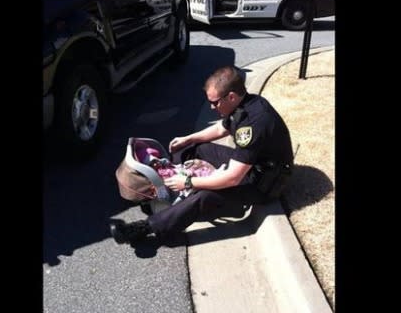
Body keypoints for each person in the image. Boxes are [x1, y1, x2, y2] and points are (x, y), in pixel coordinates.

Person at [110, 65, 294, 244]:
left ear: (231, 96)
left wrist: (189, 182)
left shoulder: (254, 124)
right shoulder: (244, 103)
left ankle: (144, 228)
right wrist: (189, 139)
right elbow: (223, 127)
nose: (212, 107)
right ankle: (165, 187)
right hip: (252, 165)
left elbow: (232, 178)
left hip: (263, 183)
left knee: (205, 196)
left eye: (214, 103)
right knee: (195, 148)